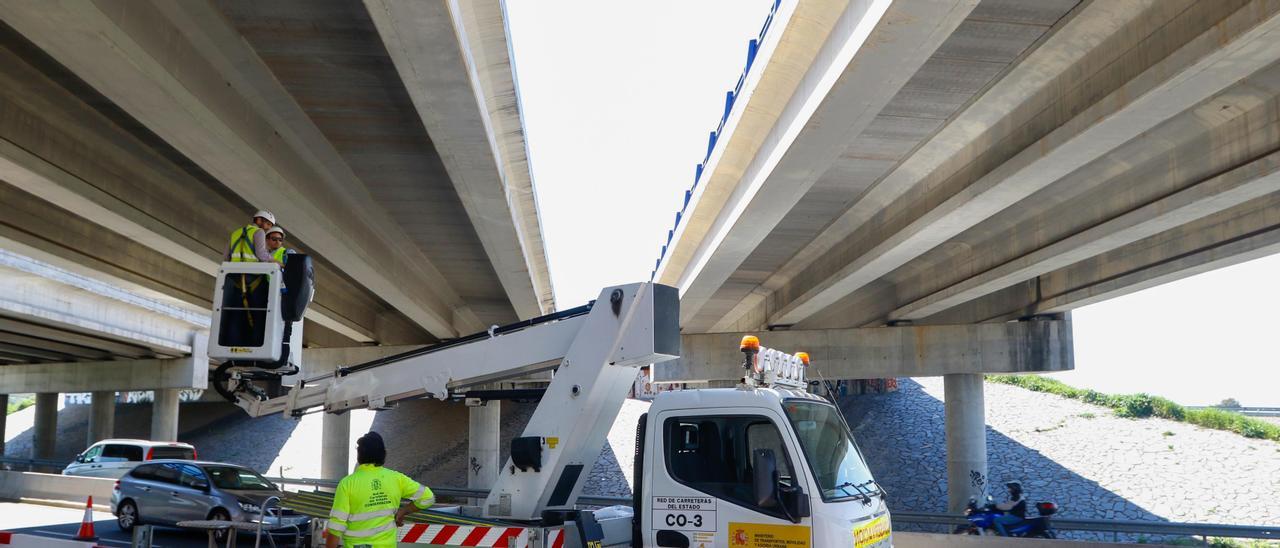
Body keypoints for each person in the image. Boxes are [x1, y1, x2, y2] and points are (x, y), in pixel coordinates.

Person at [327, 432, 434, 547]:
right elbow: (428, 497)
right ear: (384, 453)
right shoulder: (396, 478)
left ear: (359, 454)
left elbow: (336, 526)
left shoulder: (347, 483)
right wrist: (403, 511)